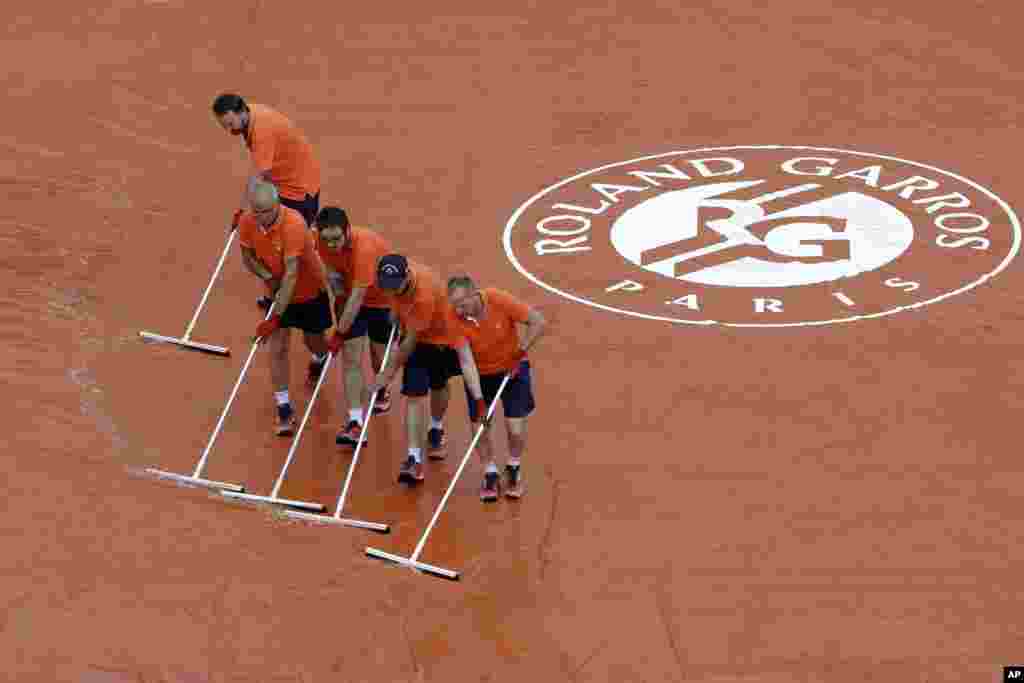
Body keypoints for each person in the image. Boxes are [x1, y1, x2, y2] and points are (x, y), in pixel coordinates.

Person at [368, 255, 488, 485]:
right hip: (416, 336)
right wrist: (395, 314)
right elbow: (396, 304)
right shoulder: (391, 280)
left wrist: (386, 375)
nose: (390, 289)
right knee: (413, 394)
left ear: (406, 278)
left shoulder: (423, 295)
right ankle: (414, 458)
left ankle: (436, 426)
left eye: (395, 286)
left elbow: (409, 342)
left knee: (439, 386)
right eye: (387, 285)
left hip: (441, 339)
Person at [238, 182, 336, 435]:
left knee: (313, 340)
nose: (259, 217)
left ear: (277, 206)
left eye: (264, 212)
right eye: (255, 211)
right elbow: (247, 257)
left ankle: (321, 357)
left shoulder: (293, 225)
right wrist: (267, 276)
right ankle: (284, 408)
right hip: (278, 290)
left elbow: (292, 276)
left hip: (309, 290)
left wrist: (275, 316)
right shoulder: (248, 222)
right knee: (278, 346)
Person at [211, 93, 322, 314]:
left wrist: (242, 211)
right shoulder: (250, 117)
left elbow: (259, 178)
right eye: (224, 125)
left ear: (241, 112)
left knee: (290, 244)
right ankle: (278, 294)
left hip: (299, 189)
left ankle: (304, 296)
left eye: (231, 123)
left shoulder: (261, 131)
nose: (229, 130)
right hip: (284, 182)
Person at [447, 275, 545, 501]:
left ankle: (513, 466)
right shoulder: (453, 318)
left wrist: (519, 353)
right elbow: (466, 361)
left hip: (513, 370)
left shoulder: (498, 299)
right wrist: (479, 400)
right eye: (454, 306)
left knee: (515, 429)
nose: (458, 311)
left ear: (474, 294)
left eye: (462, 304)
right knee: (480, 427)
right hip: (480, 375)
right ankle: (489, 471)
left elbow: (538, 322)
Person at [316, 207, 396, 446]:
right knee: (351, 358)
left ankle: (381, 389)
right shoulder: (321, 243)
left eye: (336, 239)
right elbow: (334, 275)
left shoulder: (365, 249)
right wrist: (339, 303)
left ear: (348, 230)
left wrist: (339, 332)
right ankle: (355, 422)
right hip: (353, 300)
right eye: (326, 240)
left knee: (377, 356)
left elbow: (359, 295)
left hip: (383, 302)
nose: (331, 245)